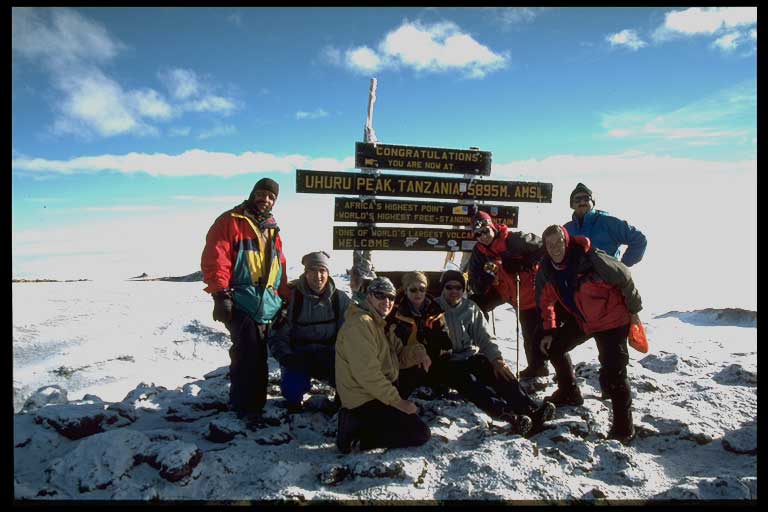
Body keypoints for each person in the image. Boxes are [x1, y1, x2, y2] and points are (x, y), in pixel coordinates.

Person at [535, 225, 643, 444]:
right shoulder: (547, 269)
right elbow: (546, 302)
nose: (555, 248)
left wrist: (634, 312)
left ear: (567, 241)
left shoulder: (591, 258)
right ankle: (569, 392)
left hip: (613, 321)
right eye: (550, 245)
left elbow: (625, 277)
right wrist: (549, 330)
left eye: (559, 242)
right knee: (554, 347)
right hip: (584, 321)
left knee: (614, 374)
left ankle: (624, 429)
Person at [201, 177, 288, 423]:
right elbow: (216, 258)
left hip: (267, 302)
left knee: (259, 354)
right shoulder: (230, 221)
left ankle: (255, 404)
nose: (265, 199)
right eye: (262, 193)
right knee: (246, 353)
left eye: (271, 197)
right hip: (241, 299)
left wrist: (283, 299)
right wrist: (220, 295)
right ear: (252, 194)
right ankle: (244, 406)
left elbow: (279, 266)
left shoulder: (272, 228)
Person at [431, 270, 555, 435]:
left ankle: (531, 411)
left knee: (500, 372)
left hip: (469, 356)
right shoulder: (432, 309)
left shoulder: (470, 308)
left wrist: (496, 360)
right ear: (442, 288)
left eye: (459, 288)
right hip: (447, 362)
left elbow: (485, 338)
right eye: (449, 287)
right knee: (473, 384)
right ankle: (510, 417)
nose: (454, 291)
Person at [335, 277, 432, 454]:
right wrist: (398, 402)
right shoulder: (361, 324)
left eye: (391, 297)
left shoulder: (379, 324)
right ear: (369, 296)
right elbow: (368, 375)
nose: (386, 301)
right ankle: (356, 437)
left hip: (376, 392)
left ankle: (368, 421)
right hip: (363, 398)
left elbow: (400, 356)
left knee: (416, 374)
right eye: (380, 295)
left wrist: (419, 353)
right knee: (420, 433)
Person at [467, 210, 549, 379]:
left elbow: (544, 247)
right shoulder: (479, 252)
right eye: (478, 234)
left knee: (531, 333)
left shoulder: (515, 239)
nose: (483, 236)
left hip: (528, 291)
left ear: (492, 226)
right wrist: (487, 278)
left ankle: (538, 368)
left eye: (485, 231)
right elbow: (475, 283)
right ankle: (480, 346)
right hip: (503, 291)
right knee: (474, 304)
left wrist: (524, 262)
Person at [267, 251, 351, 412]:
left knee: (350, 378)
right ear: (305, 273)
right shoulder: (291, 298)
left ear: (328, 273)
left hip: (330, 354)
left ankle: (342, 401)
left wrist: (346, 358)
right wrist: (286, 356)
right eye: (312, 270)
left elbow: (348, 333)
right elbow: (278, 335)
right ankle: (294, 402)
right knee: (292, 389)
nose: (318, 275)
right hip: (299, 355)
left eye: (322, 270)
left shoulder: (340, 299)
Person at [564, 183, 647, 268]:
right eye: (577, 199)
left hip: (607, 279)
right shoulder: (565, 230)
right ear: (572, 205)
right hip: (575, 279)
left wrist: (623, 266)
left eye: (586, 198)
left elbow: (639, 239)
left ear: (593, 202)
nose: (582, 202)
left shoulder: (609, 223)